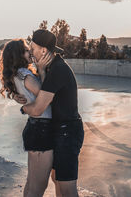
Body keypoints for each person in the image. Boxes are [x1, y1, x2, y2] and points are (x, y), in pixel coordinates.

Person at [14, 29, 84, 197]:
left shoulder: (57, 70)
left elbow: (38, 108)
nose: (31, 51)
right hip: (59, 131)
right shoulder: (50, 68)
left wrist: (23, 109)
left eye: (33, 48)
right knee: (57, 182)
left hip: (67, 133)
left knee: (66, 188)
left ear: (43, 50)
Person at [0, 38, 54, 197]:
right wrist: (42, 71)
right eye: (26, 50)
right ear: (18, 55)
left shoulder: (16, 75)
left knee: (32, 182)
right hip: (42, 129)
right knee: (39, 186)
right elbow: (44, 95)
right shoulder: (26, 75)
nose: (30, 52)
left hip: (35, 127)